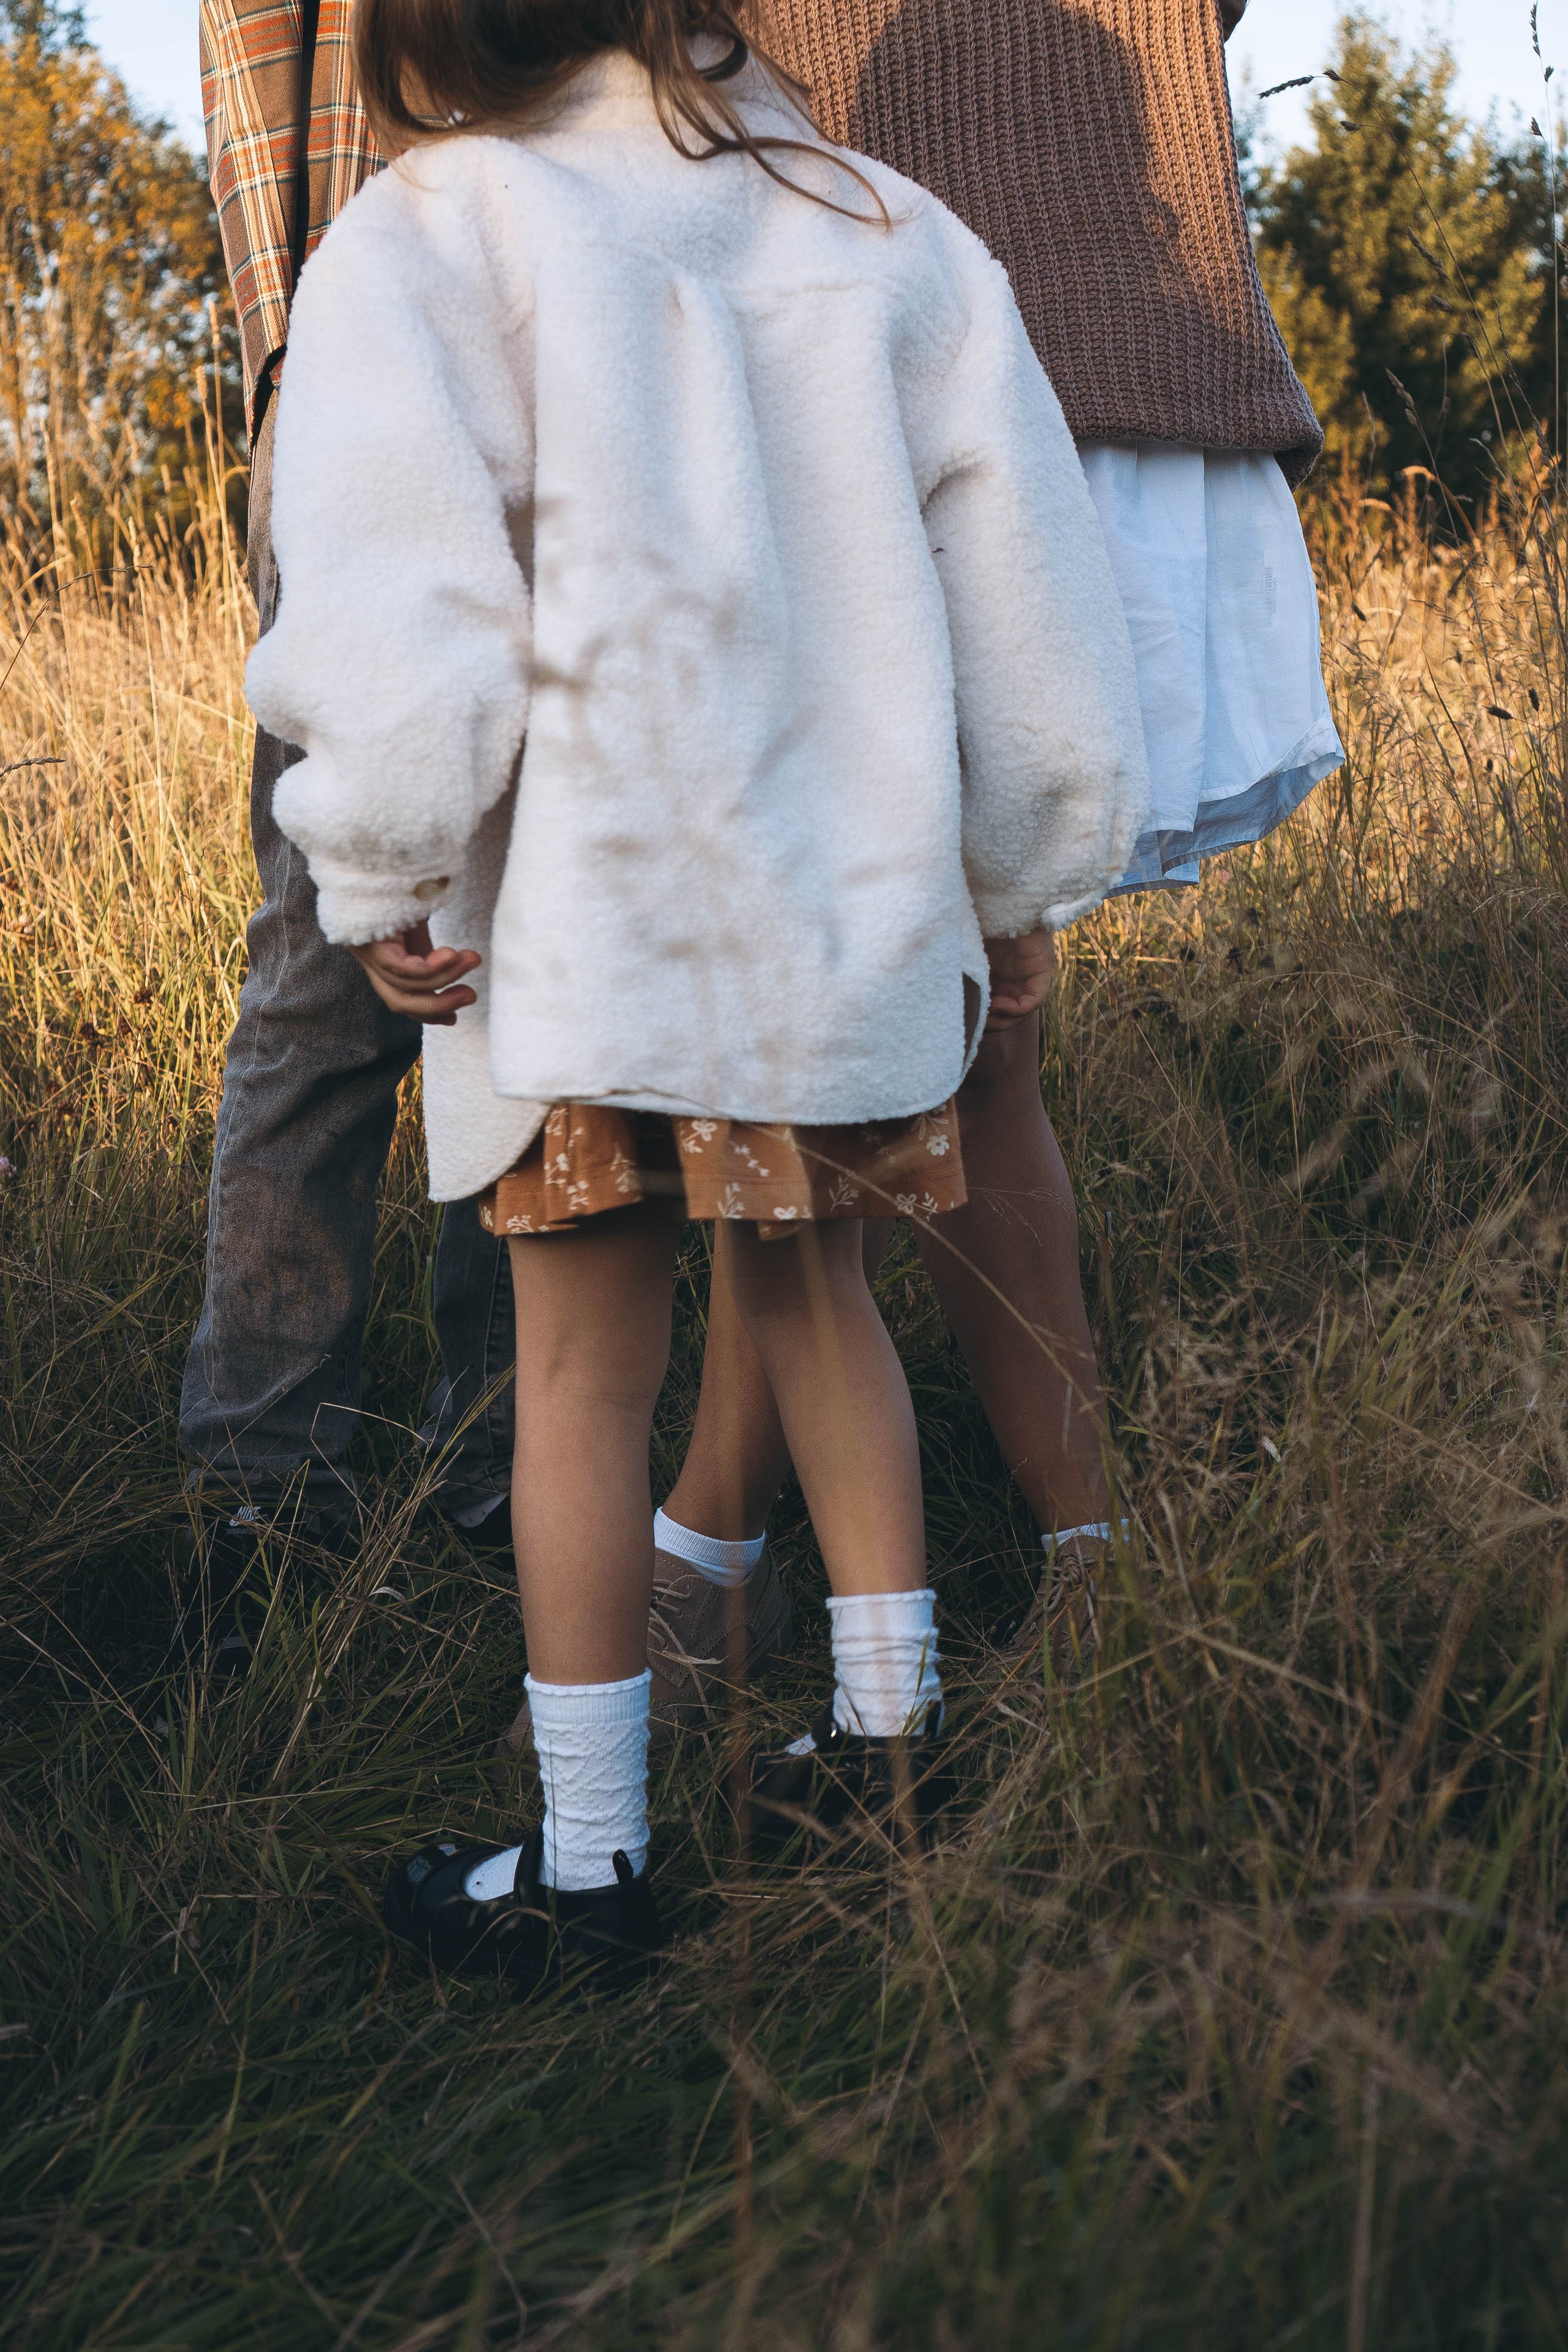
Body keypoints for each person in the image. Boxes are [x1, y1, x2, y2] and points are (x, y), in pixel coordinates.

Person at [247, 0, 1150, 1986]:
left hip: (577, 933)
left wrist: (383, 862)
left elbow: (403, 603)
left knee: (584, 1382)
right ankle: (895, 1746)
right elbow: (1027, 592)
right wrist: (1017, 874)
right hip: (839, 927)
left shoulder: (431, 233)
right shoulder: (888, 228)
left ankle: (591, 1872)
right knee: (821, 1308)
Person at [579, 0, 1343, 1740]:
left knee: (955, 1032)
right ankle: (878, 1560)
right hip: (854, 368)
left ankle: (803, 1560)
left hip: (1064, 355)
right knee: (908, 1032)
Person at [184, 0, 518, 1664]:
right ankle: (262, 1497)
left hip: (586, 343)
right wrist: (292, 354)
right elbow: (252, 29)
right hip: (355, 358)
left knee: (526, 943)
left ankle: (518, 1480)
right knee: (329, 948)